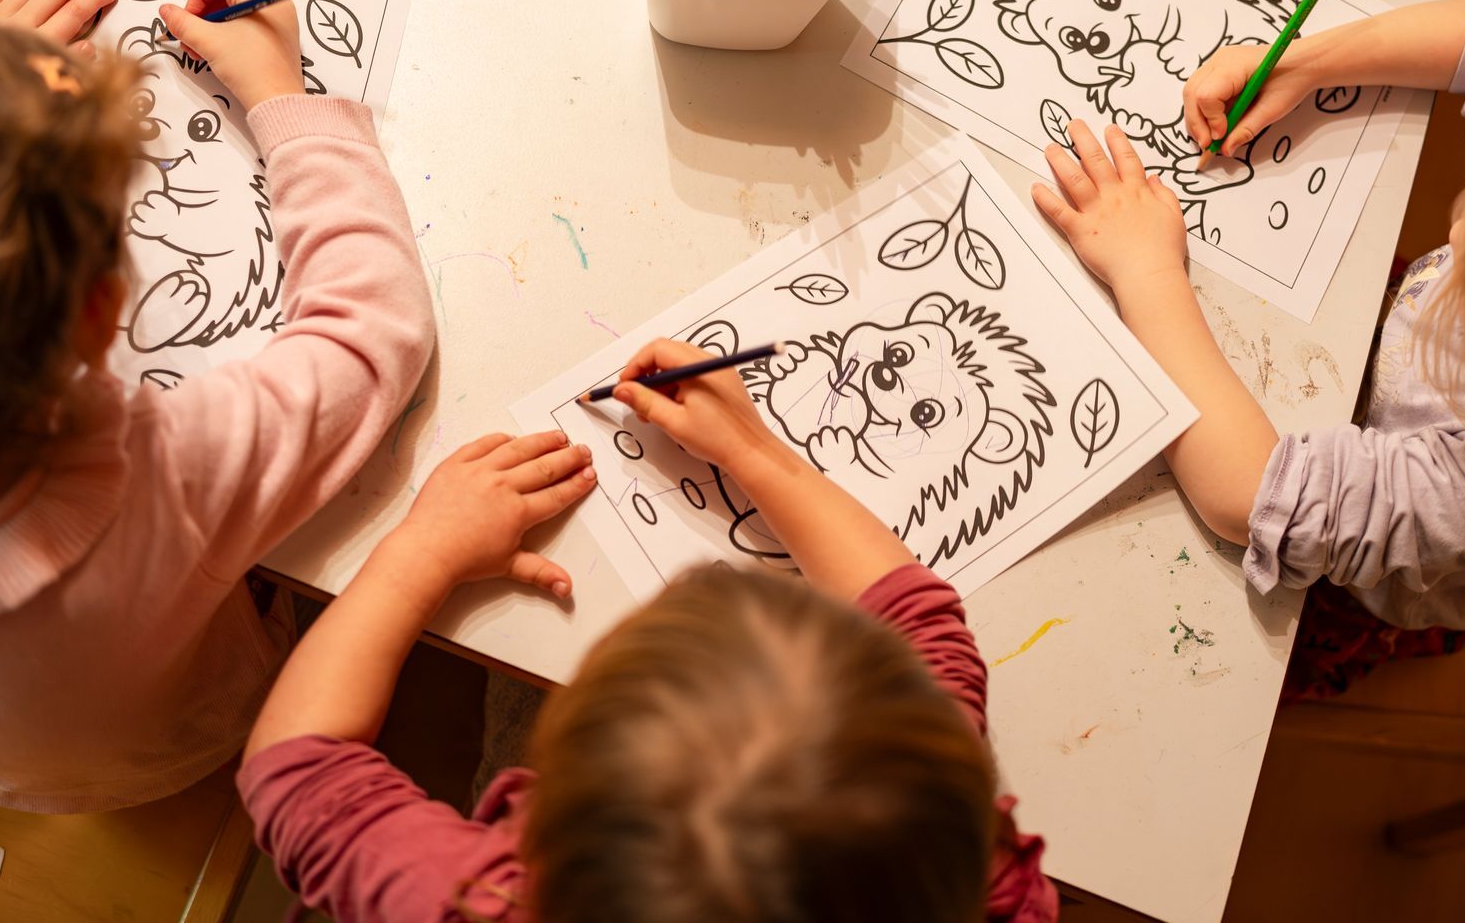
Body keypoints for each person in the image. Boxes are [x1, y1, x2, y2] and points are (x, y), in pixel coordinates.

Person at [0, 0, 434, 807]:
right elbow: (372, 330)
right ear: (103, 312)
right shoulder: (169, 476)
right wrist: (285, 97)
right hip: (183, 742)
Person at [1031, 0, 1465, 697]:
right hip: (1379, 342)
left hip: (1362, 575)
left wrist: (1145, 270)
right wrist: (1303, 63)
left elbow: (1248, 496)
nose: (1457, 228)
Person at [239, 340, 1057, 922]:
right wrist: (754, 450)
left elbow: (296, 771)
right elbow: (913, 617)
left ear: (543, 829)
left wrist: (421, 552)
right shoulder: (953, 862)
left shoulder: (484, 903)